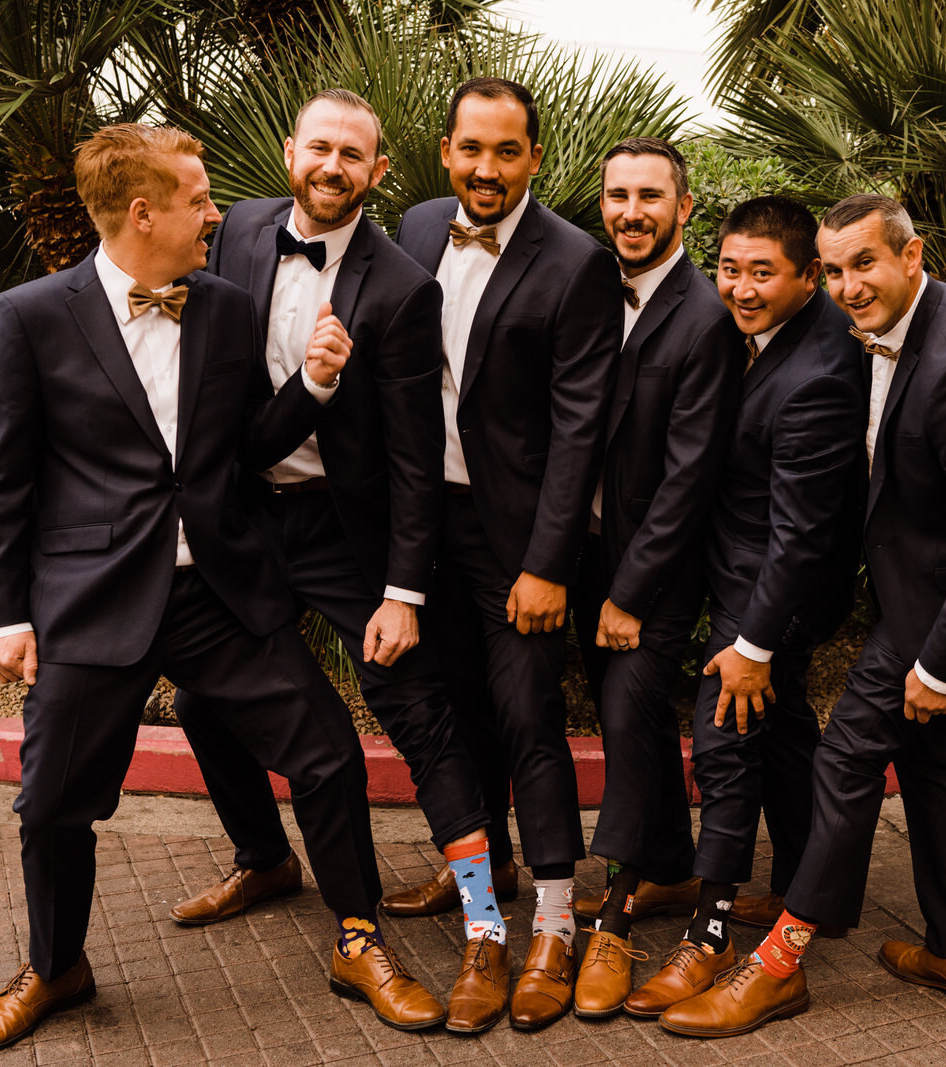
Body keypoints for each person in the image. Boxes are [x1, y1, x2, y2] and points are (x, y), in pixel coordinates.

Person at [0, 123, 442, 1052]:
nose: (216, 212)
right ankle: (56, 965)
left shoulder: (219, 305)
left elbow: (251, 443)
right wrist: (6, 614)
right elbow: (0, 479)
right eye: (197, 198)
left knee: (329, 752)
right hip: (92, 599)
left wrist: (313, 385)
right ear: (143, 212)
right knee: (53, 803)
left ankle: (358, 935)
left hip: (218, 589)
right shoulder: (28, 316)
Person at [660, 193, 946, 1038]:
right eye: (836, 268)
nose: (848, 285)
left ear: (912, 257)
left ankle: (779, 965)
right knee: (928, 765)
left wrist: (939, 664)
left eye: (865, 264)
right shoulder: (891, 332)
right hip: (924, 590)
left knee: (846, 759)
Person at [166, 89, 508, 1021]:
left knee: (415, 707)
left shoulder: (401, 286)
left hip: (345, 533)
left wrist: (402, 590)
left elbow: (411, 459)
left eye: (353, 156)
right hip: (245, 520)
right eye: (320, 148)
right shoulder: (235, 229)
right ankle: (265, 859)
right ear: (290, 152)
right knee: (201, 696)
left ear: (379, 173)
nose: (333, 167)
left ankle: (486, 924)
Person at [393, 77, 622, 1033]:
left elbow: (581, 432)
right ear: (446, 151)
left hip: (517, 538)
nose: (487, 169)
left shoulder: (576, 263)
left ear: (535, 157)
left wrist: (549, 562)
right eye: (471, 150)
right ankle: (485, 909)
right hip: (417, 527)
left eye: (508, 151)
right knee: (451, 711)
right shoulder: (409, 229)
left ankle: (556, 925)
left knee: (529, 714)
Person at [630, 195, 865, 1023]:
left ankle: (713, 930)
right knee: (787, 733)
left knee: (726, 740)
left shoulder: (822, 375)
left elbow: (800, 537)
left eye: (764, 273)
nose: (742, 288)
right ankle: (815, 888)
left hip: (773, 597)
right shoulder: (755, 337)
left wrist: (754, 643)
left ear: (809, 277)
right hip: (741, 575)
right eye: (730, 269)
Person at [566, 137, 742, 1019]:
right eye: (617, 195)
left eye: (649, 197)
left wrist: (629, 592)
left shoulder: (705, 318)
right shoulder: (594, 285)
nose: (630, 211)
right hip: (588, 551)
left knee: (631, 709)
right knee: (617, 709)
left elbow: (690, 476)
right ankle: (674, 864)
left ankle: (619, 910)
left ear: (684, 209)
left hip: (655, 568)